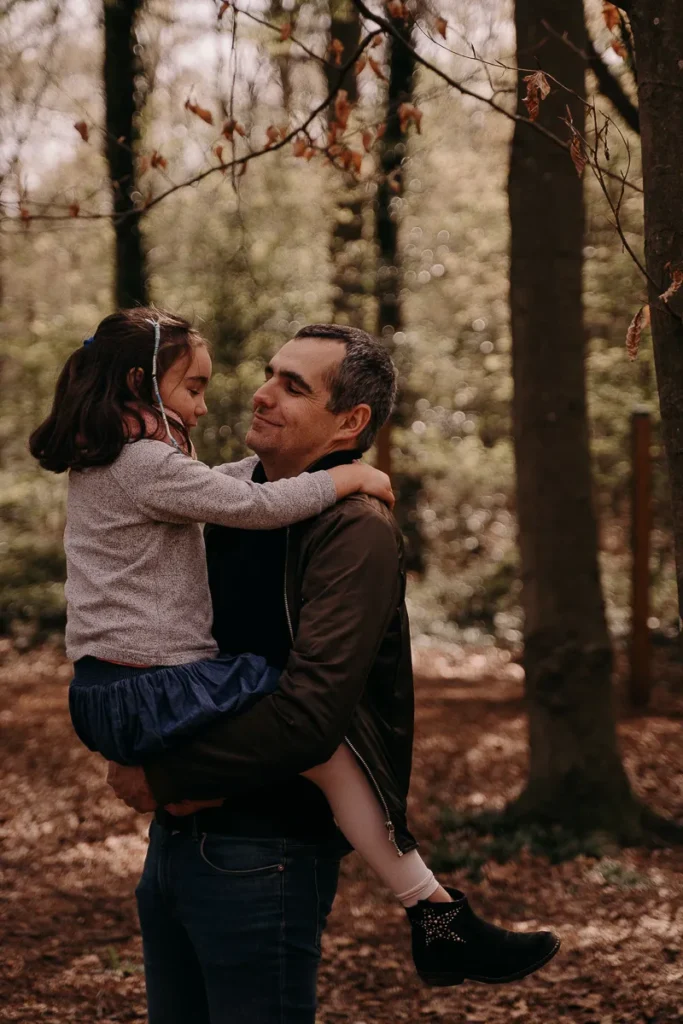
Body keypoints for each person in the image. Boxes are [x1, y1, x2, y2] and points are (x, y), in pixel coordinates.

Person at [104, 321, 560, 1023]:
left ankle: (438, 920)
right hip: (174, 847)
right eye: (268, 374)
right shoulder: (225, 501)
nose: (260, 395)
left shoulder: (353, 529)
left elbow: (310, 716)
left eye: (293, 387)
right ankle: (438, 919)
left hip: (264, 856)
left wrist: (167, 775)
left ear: (350, 421)